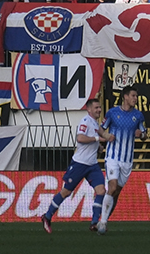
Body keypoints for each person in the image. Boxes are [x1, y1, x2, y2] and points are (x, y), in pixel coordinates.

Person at [40, 95, 107, 233]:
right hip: (79, 164)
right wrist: (97, 138)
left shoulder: (95, 123)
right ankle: (47, 216)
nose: (99, 110)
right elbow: (80, 138)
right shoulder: (85, 121)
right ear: (89, 109)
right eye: (96, 108)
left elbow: (99, 136)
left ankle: (94, 223)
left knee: (101, 191)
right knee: (66, 192)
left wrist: (98, 146)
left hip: (92, 165)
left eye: (99, 107)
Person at [95, 85, 146, 234]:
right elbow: (101, 128)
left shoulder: (138, 116)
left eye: (136, 96)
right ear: (125, 96)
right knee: (112, 186)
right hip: (112, 157)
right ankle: (102, 222)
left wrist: (141, 135)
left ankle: (105, 216)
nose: (135, 99)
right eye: (133, 96)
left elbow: (145, 134)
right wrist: (105, 137)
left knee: (116, 191)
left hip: (127, 160)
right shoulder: (112, 113)